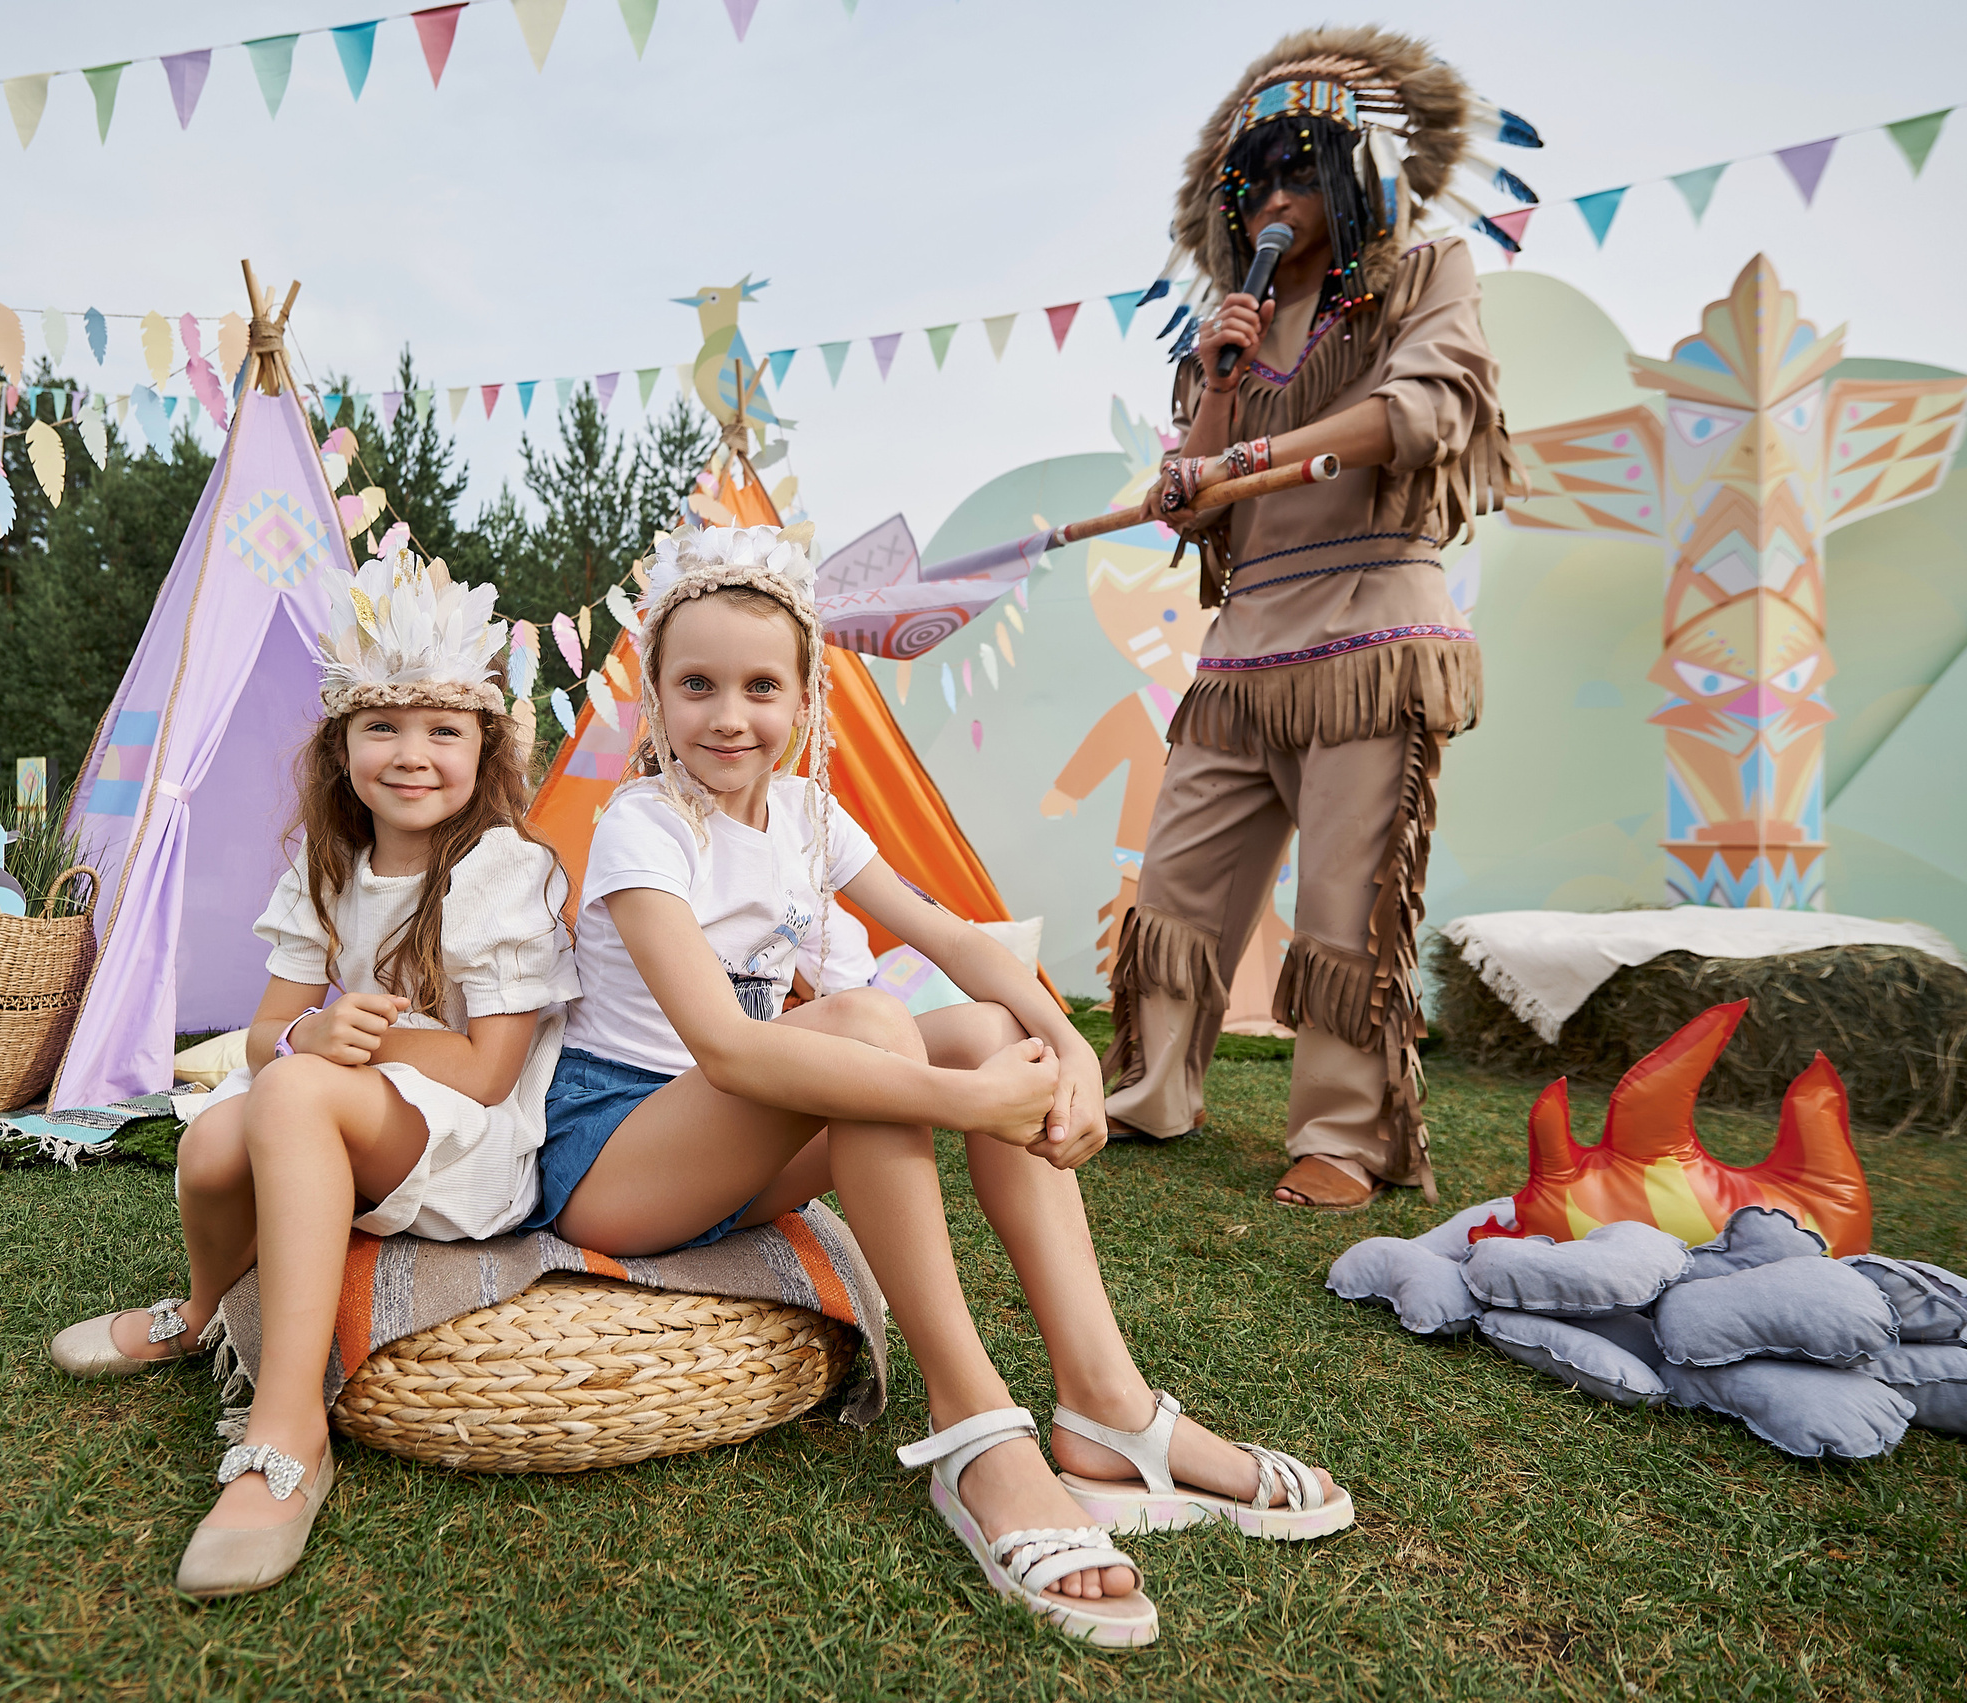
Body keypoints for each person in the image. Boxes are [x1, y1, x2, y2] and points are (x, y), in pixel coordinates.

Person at [531, 521, 1350, 1652]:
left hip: (746, 1141)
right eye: (697, 684)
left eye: (761, 684)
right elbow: (725, 1047)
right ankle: (972, 1424)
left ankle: (1107, 1405)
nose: (730, 714)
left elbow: (956, 938)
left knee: (968, 1025)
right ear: (656, 699)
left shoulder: (809, 818)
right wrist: (961, 1104)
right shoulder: (643, 827)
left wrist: (1064, 1047)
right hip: (617, 1151)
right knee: (871, 1027)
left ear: (806, 697)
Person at [47, 531, 579, 1599]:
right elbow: (265, 1033)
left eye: (442, 727)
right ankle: (200, 1310)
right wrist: (303, 1036)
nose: (412, 752)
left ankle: (288, 1433)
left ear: (485, 748)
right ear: (342, 747)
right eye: (382, 725)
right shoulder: (326, 866)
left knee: (288, 1093)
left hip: (464, 1144)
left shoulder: (500, 870)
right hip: (343, 1101)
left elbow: (484, 1072)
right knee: (206, 1145)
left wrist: (329, 1046)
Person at [1102, 26, 1536, 1211]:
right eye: (1258, 182)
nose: (1277, 203)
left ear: (1359, 181)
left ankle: (1343, 1134)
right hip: (1244, 646)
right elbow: (1193, 509)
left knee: (1347, 896)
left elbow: (1424, 409)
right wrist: (1219, 393)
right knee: (1179, 884)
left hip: (1374, 633)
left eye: (1305, 174)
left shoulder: (1424, 274)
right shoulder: (1226, 331)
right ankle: (1149, 1090)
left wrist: (1253, 450)